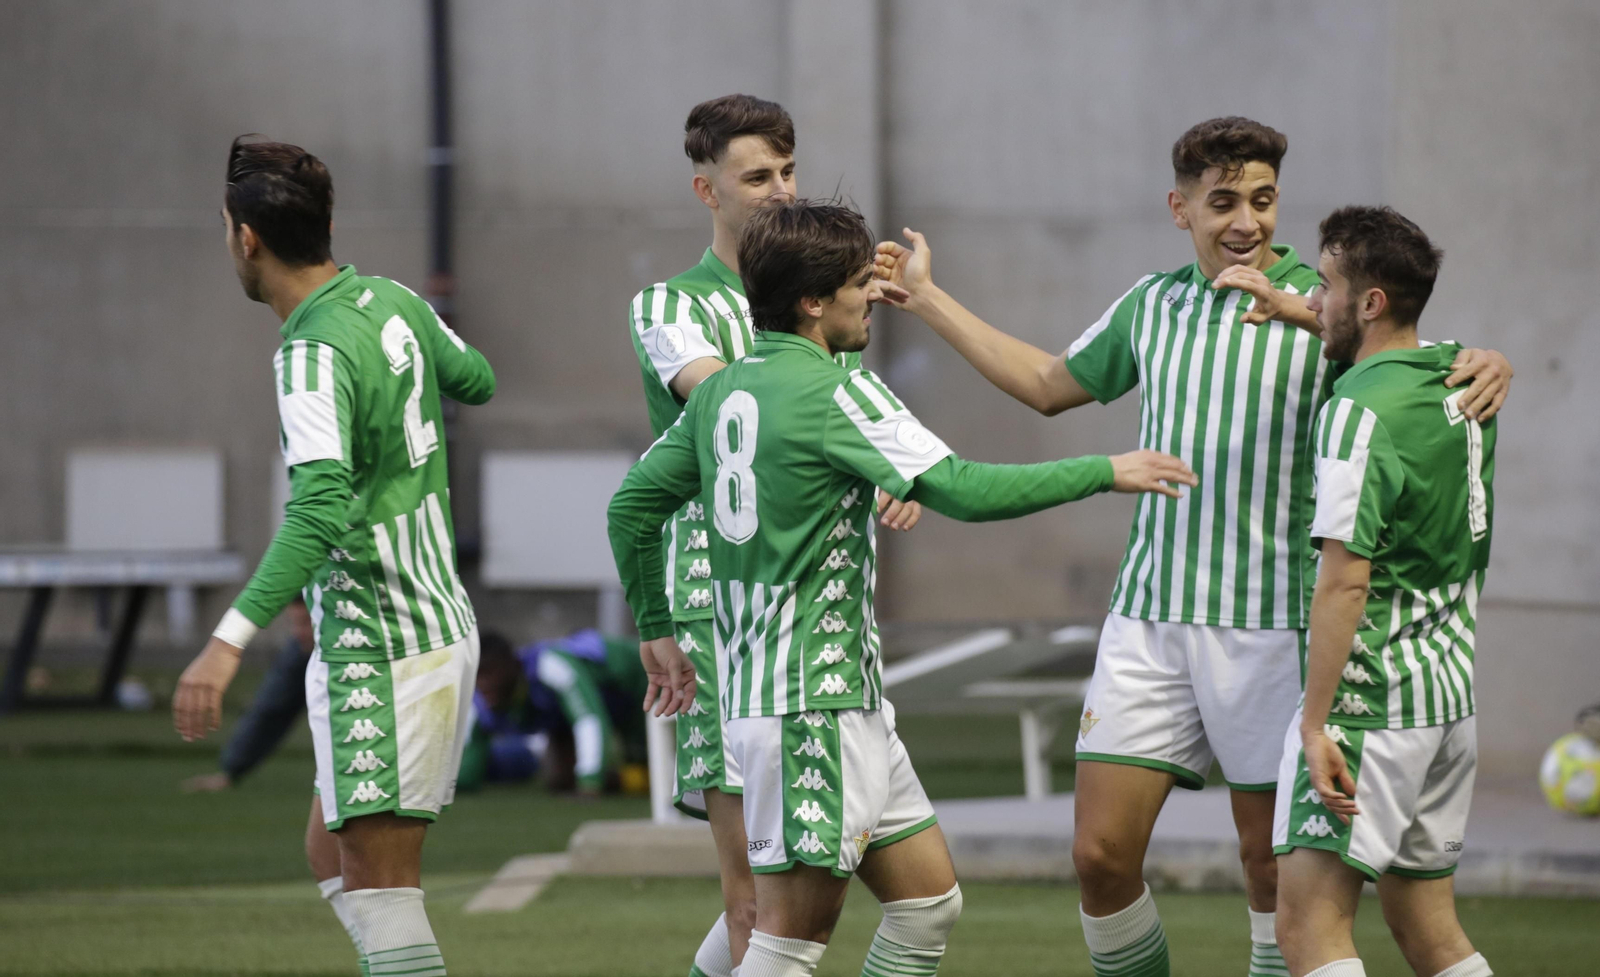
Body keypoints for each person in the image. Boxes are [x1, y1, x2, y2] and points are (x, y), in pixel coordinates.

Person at [873, 116, 1515, 977]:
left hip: (1275, 623)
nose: (1245, 221)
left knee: (1270, 871)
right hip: (1151, 619)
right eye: (1222, 203)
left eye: (1261, 199)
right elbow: (1046, 383)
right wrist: (928, 298)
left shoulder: (1323, 310)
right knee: (1099, 856)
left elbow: (1406, 355)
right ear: (1179, 208)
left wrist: (1486, 357)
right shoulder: (1154, 303)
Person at [609, 199, 1195, 977]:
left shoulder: (725, 392)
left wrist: (654, 623)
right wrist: (1104, 470)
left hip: (823, 700)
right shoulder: (836, 391)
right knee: (783, 942)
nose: (872, 300)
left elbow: (631, 508)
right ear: (814, 301)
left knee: (926, 903)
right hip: (807, 710)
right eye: (859, 285)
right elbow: (962, 487)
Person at [172, 134, 504, 977]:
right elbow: (478, 379)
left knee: (382, 888)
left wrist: (226, 641)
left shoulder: (311, 352)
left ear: (246, 238)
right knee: (329, 852)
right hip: (430, 623)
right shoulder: (391, 299)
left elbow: (318, 507)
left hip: (383, 639)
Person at [626, 93, 922, 977]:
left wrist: (890, 474)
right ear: (705, 190)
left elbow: (841, 428)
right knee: (759, 899)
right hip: (722, 618)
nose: (779, 190)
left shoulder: (818, 298)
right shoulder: (670, 306)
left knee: (839, 895)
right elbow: (746, 408)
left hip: (821, 621)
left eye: (788, 171)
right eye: (757, 176)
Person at [1273, 207, 1495, 977]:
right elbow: (1449, 352)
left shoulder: (1357, 412)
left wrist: (1313, 721)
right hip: (1448, 699)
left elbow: (1345, 579)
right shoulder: (1459, 380)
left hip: (1372, 707)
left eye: (1325, 286)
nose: (1313, 299)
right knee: (1428, 927)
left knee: (1306, 924)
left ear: (1369, 303)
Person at [459, 630, 649, 794]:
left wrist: (589, 781)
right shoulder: (482, 698)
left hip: (641, 683)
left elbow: (588, 717)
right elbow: (468, 766)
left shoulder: (549, 664)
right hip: (583, 715)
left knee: (655, 767)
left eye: (488, 672)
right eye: (477, 675)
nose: (483, 684)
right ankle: (632, 778)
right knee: (561, 781)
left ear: (512, 665)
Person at [180, 597, 314, 793]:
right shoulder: (300, 652)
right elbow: (271, 709)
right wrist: (231, 771)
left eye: (306, 623)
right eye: (293, 623)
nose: (298, 633)